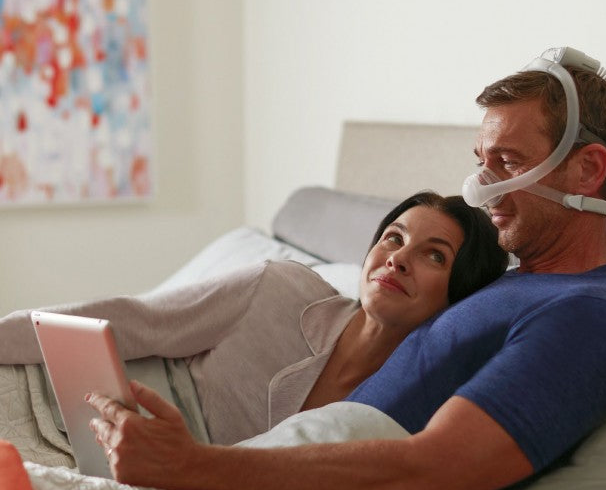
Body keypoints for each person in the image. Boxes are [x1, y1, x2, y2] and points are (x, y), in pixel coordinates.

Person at [87, 61, 606, 490]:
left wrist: (192, 466)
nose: (480, 189)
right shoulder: (513, 282)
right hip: (269, 479)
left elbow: (425, 477)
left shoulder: (585, 315)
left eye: (509, 162)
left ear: (588, 171)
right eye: (481, 163)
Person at [0, 191, 507, 449]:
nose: (397, 258)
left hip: (140, 466)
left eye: (434, 256)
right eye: (393, 238)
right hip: (65, 391)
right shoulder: (278, 289)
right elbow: (134, 320)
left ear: (460, 296)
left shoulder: (408, 405)